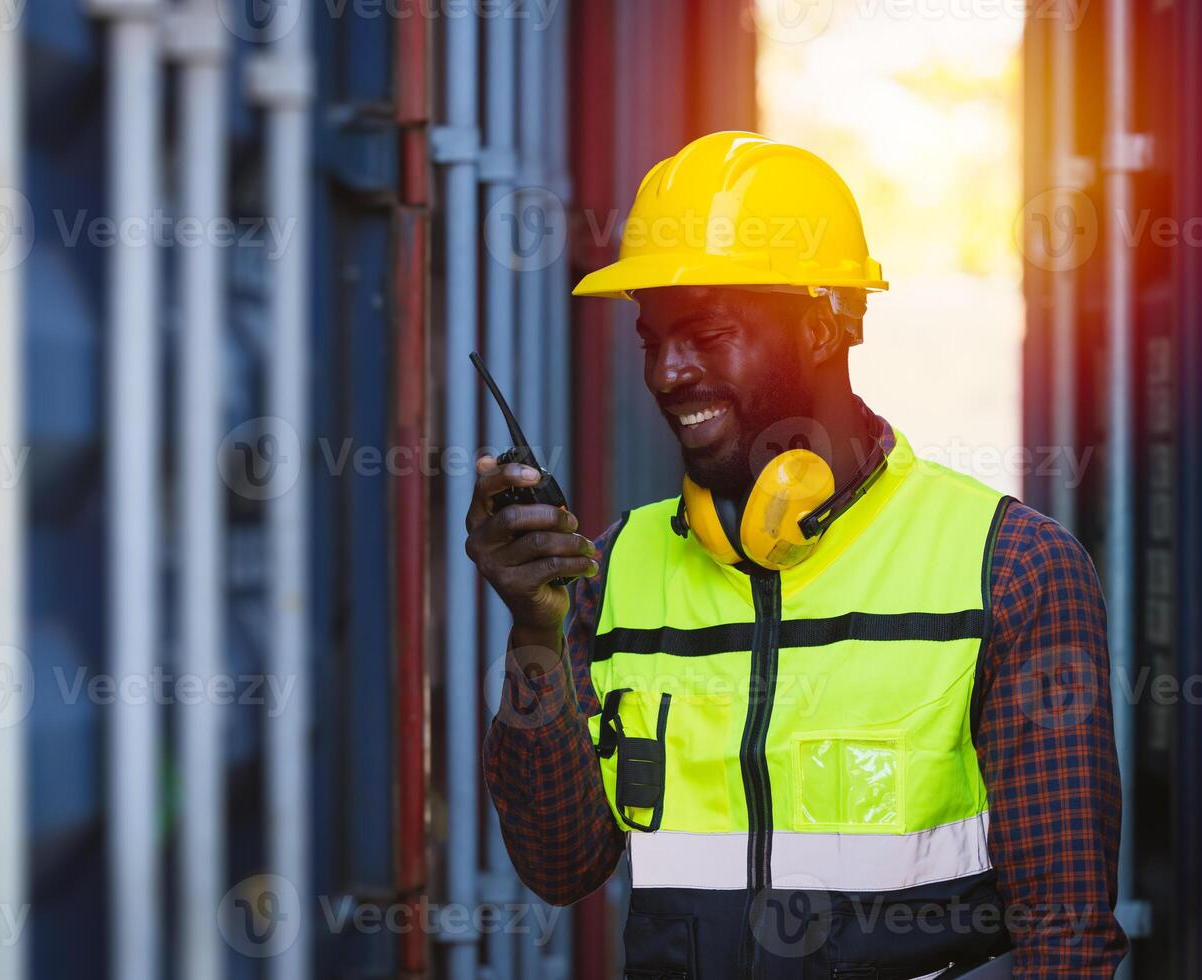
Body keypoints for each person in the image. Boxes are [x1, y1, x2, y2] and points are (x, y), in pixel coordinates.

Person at [468, 132, 1127, 979]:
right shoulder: (613, 571)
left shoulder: (1010, 568)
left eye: (707, 333)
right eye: (651, 340)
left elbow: (1066, 940)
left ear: (823, 326)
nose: (668, 373)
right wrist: (534, 636)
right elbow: (561, 866)